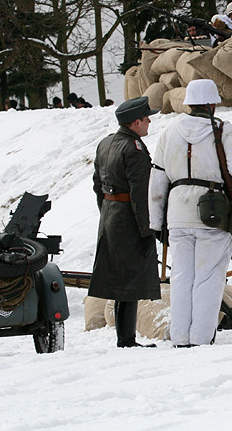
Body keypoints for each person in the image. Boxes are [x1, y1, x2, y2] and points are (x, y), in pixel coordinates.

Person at [148, 79, 232, 347]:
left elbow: (157, 183)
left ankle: (180, 337)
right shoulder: (224, 130)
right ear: (212, 104)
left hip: (177, 212)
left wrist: (156, 222)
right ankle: (201, 338)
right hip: (212, 211)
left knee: (182, 277)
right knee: (209, 277)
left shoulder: (169, 132)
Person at [89, 96, 161, 347]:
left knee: (121, 279)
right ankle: (126, 339)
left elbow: (98, 185)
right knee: (130, 280)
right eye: (146, 118)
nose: (150, 121)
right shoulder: (133, 148)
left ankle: (125, 337)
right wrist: (148, 229)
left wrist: (107, 210)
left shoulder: (106, 143)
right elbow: (141, 193)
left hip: (111, 213)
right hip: (129, 217)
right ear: (135, 122)